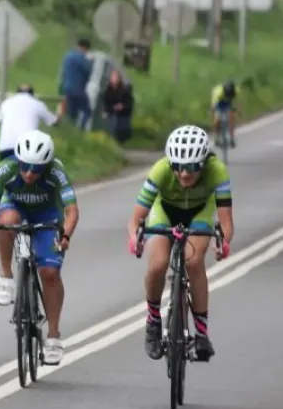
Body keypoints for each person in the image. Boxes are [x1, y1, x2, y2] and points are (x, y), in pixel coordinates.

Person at [126, 125, 233, 363]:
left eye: (193, 167)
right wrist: (136, 238)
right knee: (158, 264)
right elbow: (136, 218)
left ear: (204, 163)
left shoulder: (217, 171)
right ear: (170, 163)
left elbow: (226, 221)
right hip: (164, 212)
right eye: (178, 167)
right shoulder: (160, 170)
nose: (185, 174)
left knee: (194, 262)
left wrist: (223, 243)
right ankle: (153, 320)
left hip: (199, 213)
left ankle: (202, 334)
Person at [0, 129, 79, 365]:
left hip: (48, 215)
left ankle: (53, 336)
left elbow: (72, 210)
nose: (29, 173)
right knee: (5, 223)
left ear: (46, 165)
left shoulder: (57, 172)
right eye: (24, 166)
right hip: (14, 208)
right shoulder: (6, 168)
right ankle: (6, 275)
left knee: (50, 273)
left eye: (36, 169)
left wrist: (66, 235)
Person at [0, 83, 59, 160]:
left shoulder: (6, 103)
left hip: (5, 146)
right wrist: (61, 113)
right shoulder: (37, 104)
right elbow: (54, 121)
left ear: (17, 92)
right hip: (27, 147)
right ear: (32, 93)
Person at [58, 38, 94, 129]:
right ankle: (80, 130)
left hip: (67, 88)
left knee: (71, 112)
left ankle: (70, 130)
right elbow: (89, 72)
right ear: (85, 48)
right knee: (87, 111)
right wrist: (90, 61)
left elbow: (63, 73)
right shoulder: (83, 59)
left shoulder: (68, 56)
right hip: (78, 89)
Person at [101, 70, 134, 145]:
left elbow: (129, 103)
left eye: (116, 77)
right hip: (112, 112)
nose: (114, 79)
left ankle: (121, 139)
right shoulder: (108, 90)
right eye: (113, 77)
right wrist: (106, 110)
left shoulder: (124, 90)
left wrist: (122, 106)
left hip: (123, 113)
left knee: (120, 127)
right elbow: (106, 102)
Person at [210, 80, 238, 148]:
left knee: (231, 117)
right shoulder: (218, 92)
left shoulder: (236, 91)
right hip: (219, 103)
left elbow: (237, 102)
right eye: (227, 95)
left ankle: (232, 138)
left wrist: (237, 110)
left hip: (228, 103)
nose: (228, 96)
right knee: (217, 120)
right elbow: (214, 105)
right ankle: (216, 138)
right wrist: (213, 110)